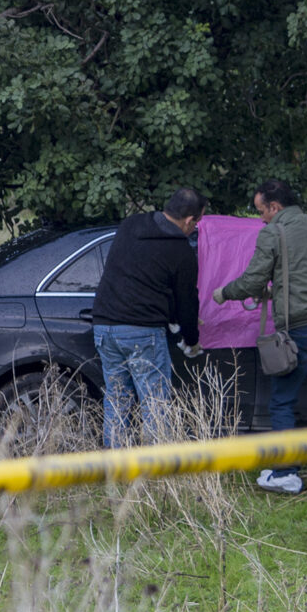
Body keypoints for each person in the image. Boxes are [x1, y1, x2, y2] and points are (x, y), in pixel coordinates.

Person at [216, 180, 307, 493]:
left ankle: (286, 473)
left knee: (282, 401)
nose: (261, 217)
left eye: (262, 211)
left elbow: (251, 281)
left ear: (275, 207)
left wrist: (223, 293)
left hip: (298, 328)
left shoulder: (273, 232)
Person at [91, 188, 206, 447]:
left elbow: (138, 274)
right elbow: (187, 300)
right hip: (141, 331)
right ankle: (155, 472)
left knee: (117, 401)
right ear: (189, 221)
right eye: (197, 222)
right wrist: (192, 339)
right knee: (155, 405)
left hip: (104, 326)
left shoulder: (131, 224)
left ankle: (115, 470)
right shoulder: (181, 251)